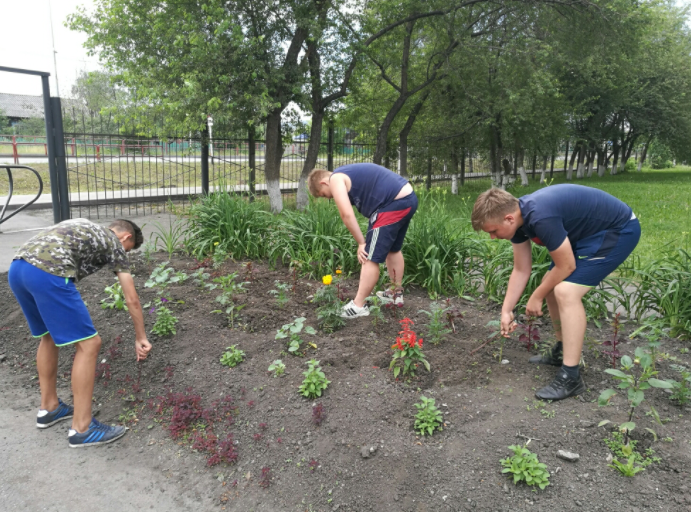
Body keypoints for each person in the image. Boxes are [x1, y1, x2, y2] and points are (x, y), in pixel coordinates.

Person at [471, 184, 640, 400]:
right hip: (587, 236)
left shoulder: (540, 216)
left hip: (618, 230)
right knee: (551, 287)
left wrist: (536, 296)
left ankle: (571, 377)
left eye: (493, 231)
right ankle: (562, 350)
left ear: (508, 218)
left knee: (566, 292)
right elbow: (521, 269)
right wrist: (506, 310)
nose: (492, 237)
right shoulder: (518, 221)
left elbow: (566, 266)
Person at [8, 218, 152, 447]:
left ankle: (49, 407)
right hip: (48, 272)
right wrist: (140, 337)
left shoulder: (83, 226)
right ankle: (83, 428)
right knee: (90, 344)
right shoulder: (114, 242)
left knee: (49, 336)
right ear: (126, 238)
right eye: (128, 250)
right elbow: (132, 298)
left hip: (17, 269)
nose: (124, 255)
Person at [308, 163, 418, 318]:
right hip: (407, 199)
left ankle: (359, 305)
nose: (329, 198)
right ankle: (395, 294)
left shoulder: (335, 178)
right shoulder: (347, 173)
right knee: (393, 249)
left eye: (324, 195)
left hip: (391, 205)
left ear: (323, 183)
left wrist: (361, 243)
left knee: (369, 256)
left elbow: (346, 214)